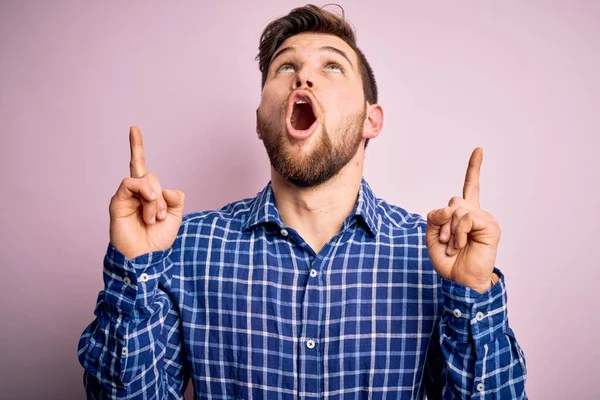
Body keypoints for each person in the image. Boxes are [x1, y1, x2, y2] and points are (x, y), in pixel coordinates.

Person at [78, 4, 527, 399]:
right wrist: (133, 270)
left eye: (332, 67)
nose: (303, 76)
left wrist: (470, 296)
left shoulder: (433, 256)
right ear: (260, 119)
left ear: (372, 119)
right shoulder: (186, 244)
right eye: (283, 67)